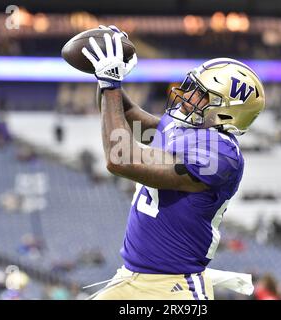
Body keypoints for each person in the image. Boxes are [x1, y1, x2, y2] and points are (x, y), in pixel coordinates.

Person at [83, 25, 265, 300]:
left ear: (227, 113)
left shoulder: (221, 157)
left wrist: (111, 83)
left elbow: (120, 159)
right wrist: (108, 71)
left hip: (173, 288)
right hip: (130, 277)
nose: (188, 96)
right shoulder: (183, 128)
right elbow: (127, 114)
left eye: (202, 94)